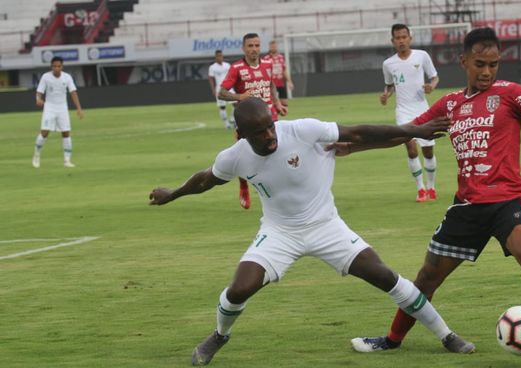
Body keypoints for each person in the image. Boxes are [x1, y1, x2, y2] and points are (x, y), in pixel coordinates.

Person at [343, 27, 521, 361]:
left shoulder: (511, 94)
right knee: (426, 278)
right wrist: (354, 147)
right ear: (463, 61)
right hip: (467, 207)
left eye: (494, 64)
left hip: (508, 200)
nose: (487, 71)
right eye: (480, 63)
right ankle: (391, 339)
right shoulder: (450, 105)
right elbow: (405, 132)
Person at [148, 98, 474, 366]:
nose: (269, 135)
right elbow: (205, 180)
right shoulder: (234, 158)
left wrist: (413, 130)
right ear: (241, 134)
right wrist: (171, 194)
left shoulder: (302, 130)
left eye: (270, 126)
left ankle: (447, 335)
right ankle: (218, 336)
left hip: (326, 226)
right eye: (259, 132)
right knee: (239, 288)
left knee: (384, 275)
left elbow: (358, 133)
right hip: (279, 233)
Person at [218, 33, 288, 210]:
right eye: (250, 46)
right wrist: (240, 96)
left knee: (277, 151)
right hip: (248, 121)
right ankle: (243, 186)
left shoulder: (268, 64)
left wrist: (278, 103)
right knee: (244, 154)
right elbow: (222, 93)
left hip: (269, 116)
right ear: (244, 48)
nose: (254, 49)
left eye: (257, 45)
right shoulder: (236, 68)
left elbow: (270, 83)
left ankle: (281, 187)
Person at [381, 24, 440, 202]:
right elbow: (390, 85)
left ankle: (431, 187)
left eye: (404, 37)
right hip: (403, 112)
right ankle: (420, 189)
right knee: (411, 148)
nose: (401, 41)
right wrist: (386, 95)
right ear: (393, 42)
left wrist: (431, 87)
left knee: (428, 151)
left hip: (423, 110)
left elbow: (435, 77)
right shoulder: (388, 64)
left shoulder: (422, 56)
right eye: (398, 38)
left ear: (410, 38)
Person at [32, 56, 84, 168]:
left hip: (62, 108)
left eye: (58, 66)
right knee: (45, 132)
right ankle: (36, 155)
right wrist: (38, 99)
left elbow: (73, 92)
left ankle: (67, 161)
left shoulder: (67, 77)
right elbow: (39, 92)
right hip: (49, 107)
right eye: (54, 66)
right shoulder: (46, 77)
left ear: (62, 66)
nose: (56, 68)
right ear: (51, 67)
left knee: (66, 132)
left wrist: (79, 108)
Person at [262, 39, 294, 108]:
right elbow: (263, 72)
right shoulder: (266, 58)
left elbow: (284, 70)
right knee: (272, 103)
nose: (274, 48)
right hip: (271, 85)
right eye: (272, 46)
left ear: (277, 47)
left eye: (275, 46)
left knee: (284, 103)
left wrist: (289, 82)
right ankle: (273, 117)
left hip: (280, 84)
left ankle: (282, 117)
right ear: (269, 47)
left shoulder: (281, 57)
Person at [208, 50, 235, 129]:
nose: (220, 57)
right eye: (218, 56)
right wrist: (213, 90)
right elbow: (210, 79)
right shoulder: (212, 67)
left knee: (236, 103)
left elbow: (232, 76)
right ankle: (226, 123)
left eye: (221, 55)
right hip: (219, 89)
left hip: (229, 88)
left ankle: (232, 118)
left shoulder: (227, 65)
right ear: (216, 57)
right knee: (222, 107)